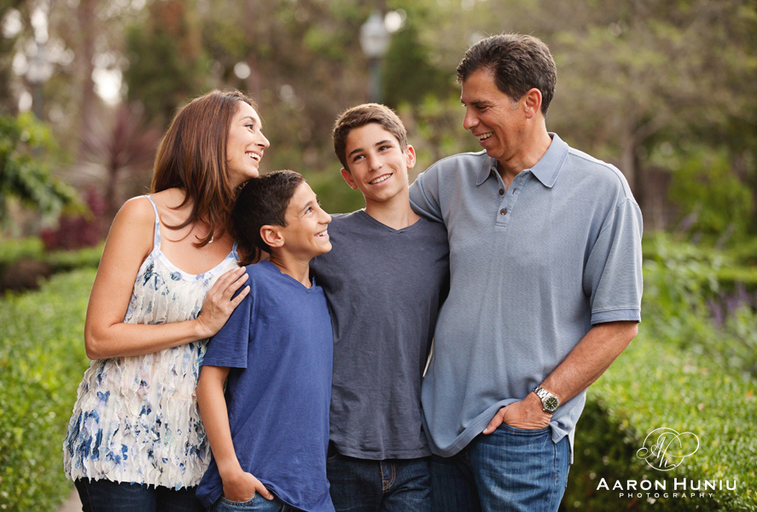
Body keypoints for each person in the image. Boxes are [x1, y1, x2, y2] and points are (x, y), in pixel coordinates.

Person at [409, 34, 643, 512]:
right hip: (439, 435)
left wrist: (541, 406)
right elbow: (377, 236)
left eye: (480, 106)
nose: (467, 121)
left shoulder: (601, 190)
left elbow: (618, 322)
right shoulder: (446, 180)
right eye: (464, 106)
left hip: (524, 442)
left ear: (530, 103)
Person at [63, 89, 269, 511]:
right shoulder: (143, 216)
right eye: (249, 126)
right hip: (117, 441)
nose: (263, 141)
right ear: (209, 136)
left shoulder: (248, 241)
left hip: (196, 450)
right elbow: (99, 337)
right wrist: (198, 326)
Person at [310, 103, 450, 511]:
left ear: (408, 156)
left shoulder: (444, 243)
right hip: (339, 450)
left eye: (384, 148)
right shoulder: (326, 237)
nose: (374, 164)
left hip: (415, 451)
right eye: (359, 157)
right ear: (349, 177)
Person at [195, 170, 335, 512]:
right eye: (309, 210)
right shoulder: (252, 285)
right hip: (254, 491)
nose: (326, 216)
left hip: (312, 494)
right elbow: (210, 381)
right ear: (272, 235)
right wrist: (231, 472)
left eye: (318, 205)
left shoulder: (320, 294)